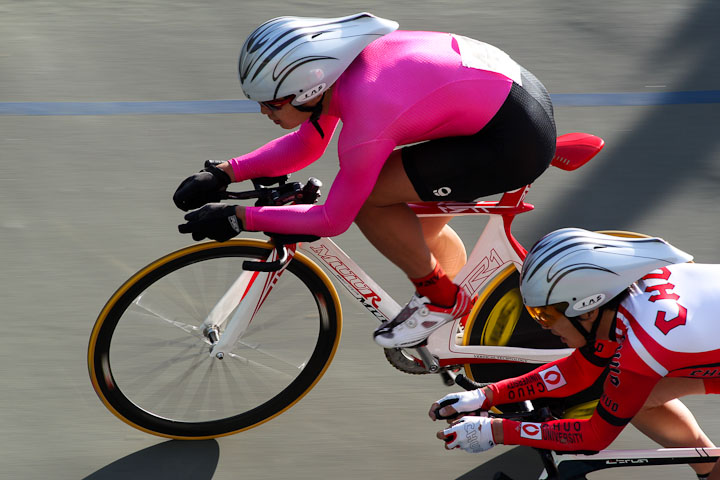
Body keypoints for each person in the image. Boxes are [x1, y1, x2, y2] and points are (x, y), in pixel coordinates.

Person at [173, 12, 557, 349]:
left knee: (372, 199)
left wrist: (240, 216)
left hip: (510, 141)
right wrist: (224, 172)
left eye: (272, 104)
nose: (262, 111)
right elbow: (308, 145)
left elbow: (332, 220)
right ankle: (458, 307)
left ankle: (441, 298)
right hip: (510, 95)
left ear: (309, 89)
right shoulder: (341, 75)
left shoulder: (368, 116)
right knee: (412, 226)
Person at [430, 228, 720, 480]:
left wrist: (496, 431)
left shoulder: (642, 350)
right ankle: (710, 467)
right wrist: (484, 396)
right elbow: (578, 371)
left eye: (546, 313)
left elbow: (594, 436)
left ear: (588, 307)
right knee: (643, 397)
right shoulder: (631, 296)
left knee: (637, 392)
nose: (543, 325)